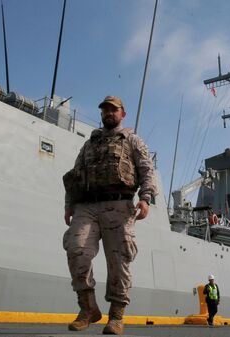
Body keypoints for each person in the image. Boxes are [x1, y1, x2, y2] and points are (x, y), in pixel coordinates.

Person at [62, 95, 157, 335]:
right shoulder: (89, 144)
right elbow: (75, 174)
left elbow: (147, 170)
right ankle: (87, 309)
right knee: (76, 250)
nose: (108, 113)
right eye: (105, 110)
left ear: (122, 114)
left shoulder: (133, 141)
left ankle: (116, 316)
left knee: (119, 261)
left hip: (119, 205)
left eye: (113, 110)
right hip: (87, 206)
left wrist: (145, 199)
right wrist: (69, 204)